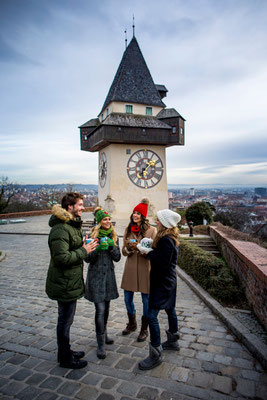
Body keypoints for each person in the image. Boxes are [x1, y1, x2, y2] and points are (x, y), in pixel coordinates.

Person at [45, 192, 98, 369]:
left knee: (67, 320)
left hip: (69, 282)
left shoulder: (70, 225)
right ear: (70, 207)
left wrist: (83, 243)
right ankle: (65, 358)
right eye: (81, 204)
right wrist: (84, 250)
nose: (83, 208)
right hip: (64, 283)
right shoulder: (60, 228)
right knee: (65, 321)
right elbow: (61, 258)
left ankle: (66, 351)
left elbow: (70, 247)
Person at [138, 209, 181, 370]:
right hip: (168, 281)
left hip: (162, 283)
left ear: (165, 223)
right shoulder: (170, 238)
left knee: (151, 315)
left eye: (158, 219)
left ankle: (155, 354)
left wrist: (148, 252)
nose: (156, 221)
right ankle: (173, 340)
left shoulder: (166, 240)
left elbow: (161, 263)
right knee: (170, 309)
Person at [84, 207, 120, 359]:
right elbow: (87, 258)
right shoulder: (92, 236)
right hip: (96, 278)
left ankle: (104, 334)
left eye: (109, 219)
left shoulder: (113, 236)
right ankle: (100, 344)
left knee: (106, 309)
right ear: (99, 222)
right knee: (100, 310)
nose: (108, 221)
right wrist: (97, 248)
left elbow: (117, 258)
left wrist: (111, 247)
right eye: (105, 219)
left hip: (109, 278)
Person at [121, 198, 157, 342]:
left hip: (144, 268)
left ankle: (144, 329)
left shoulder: (152, 230)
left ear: (143, 216)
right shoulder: (128, 229)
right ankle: (132, 323)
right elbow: (123, 249)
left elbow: (154, 251)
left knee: (146, 300)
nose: (135, 215)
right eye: (134, 213)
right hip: (130, 268)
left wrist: (142, 249)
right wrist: (128, 249)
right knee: (127, 298)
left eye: (138, 213)